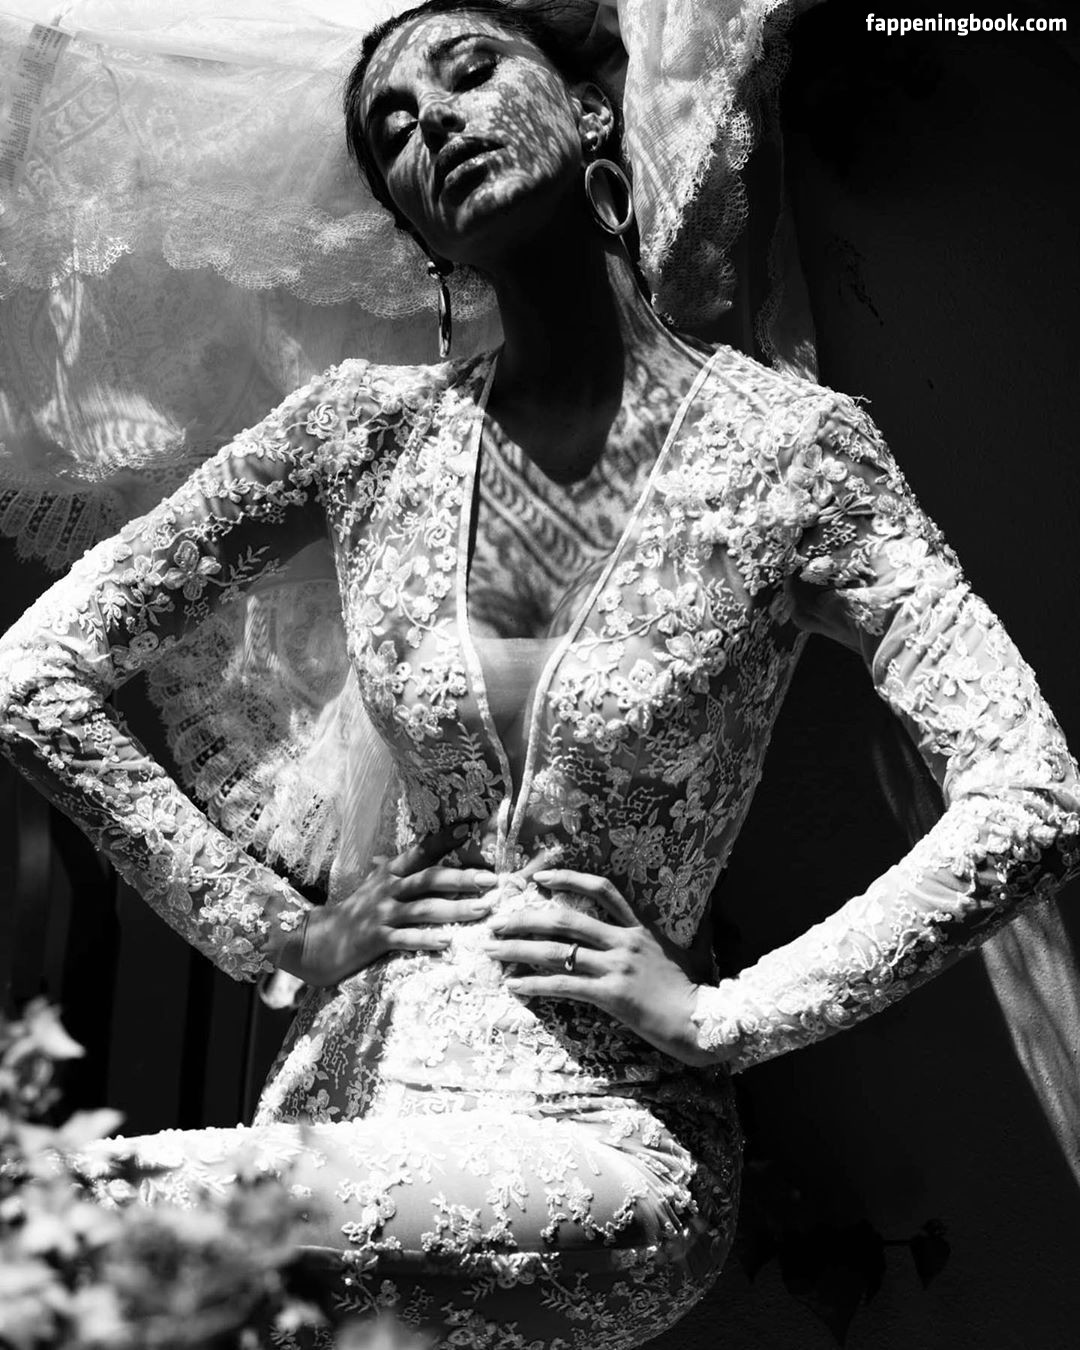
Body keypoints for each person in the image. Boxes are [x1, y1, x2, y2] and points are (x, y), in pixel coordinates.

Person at [0, 1, 1077, 1346]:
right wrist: (272, 932)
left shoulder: (795, 454)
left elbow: (1031, 791)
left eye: (470, 72)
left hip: (603, 1138)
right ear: (414, 227)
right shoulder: (360, 435)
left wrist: (730, 1016)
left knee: (46, 1220)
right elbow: (33, 673)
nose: (436, 123)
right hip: (347, 1091)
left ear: (587, 109)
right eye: (394, 128)